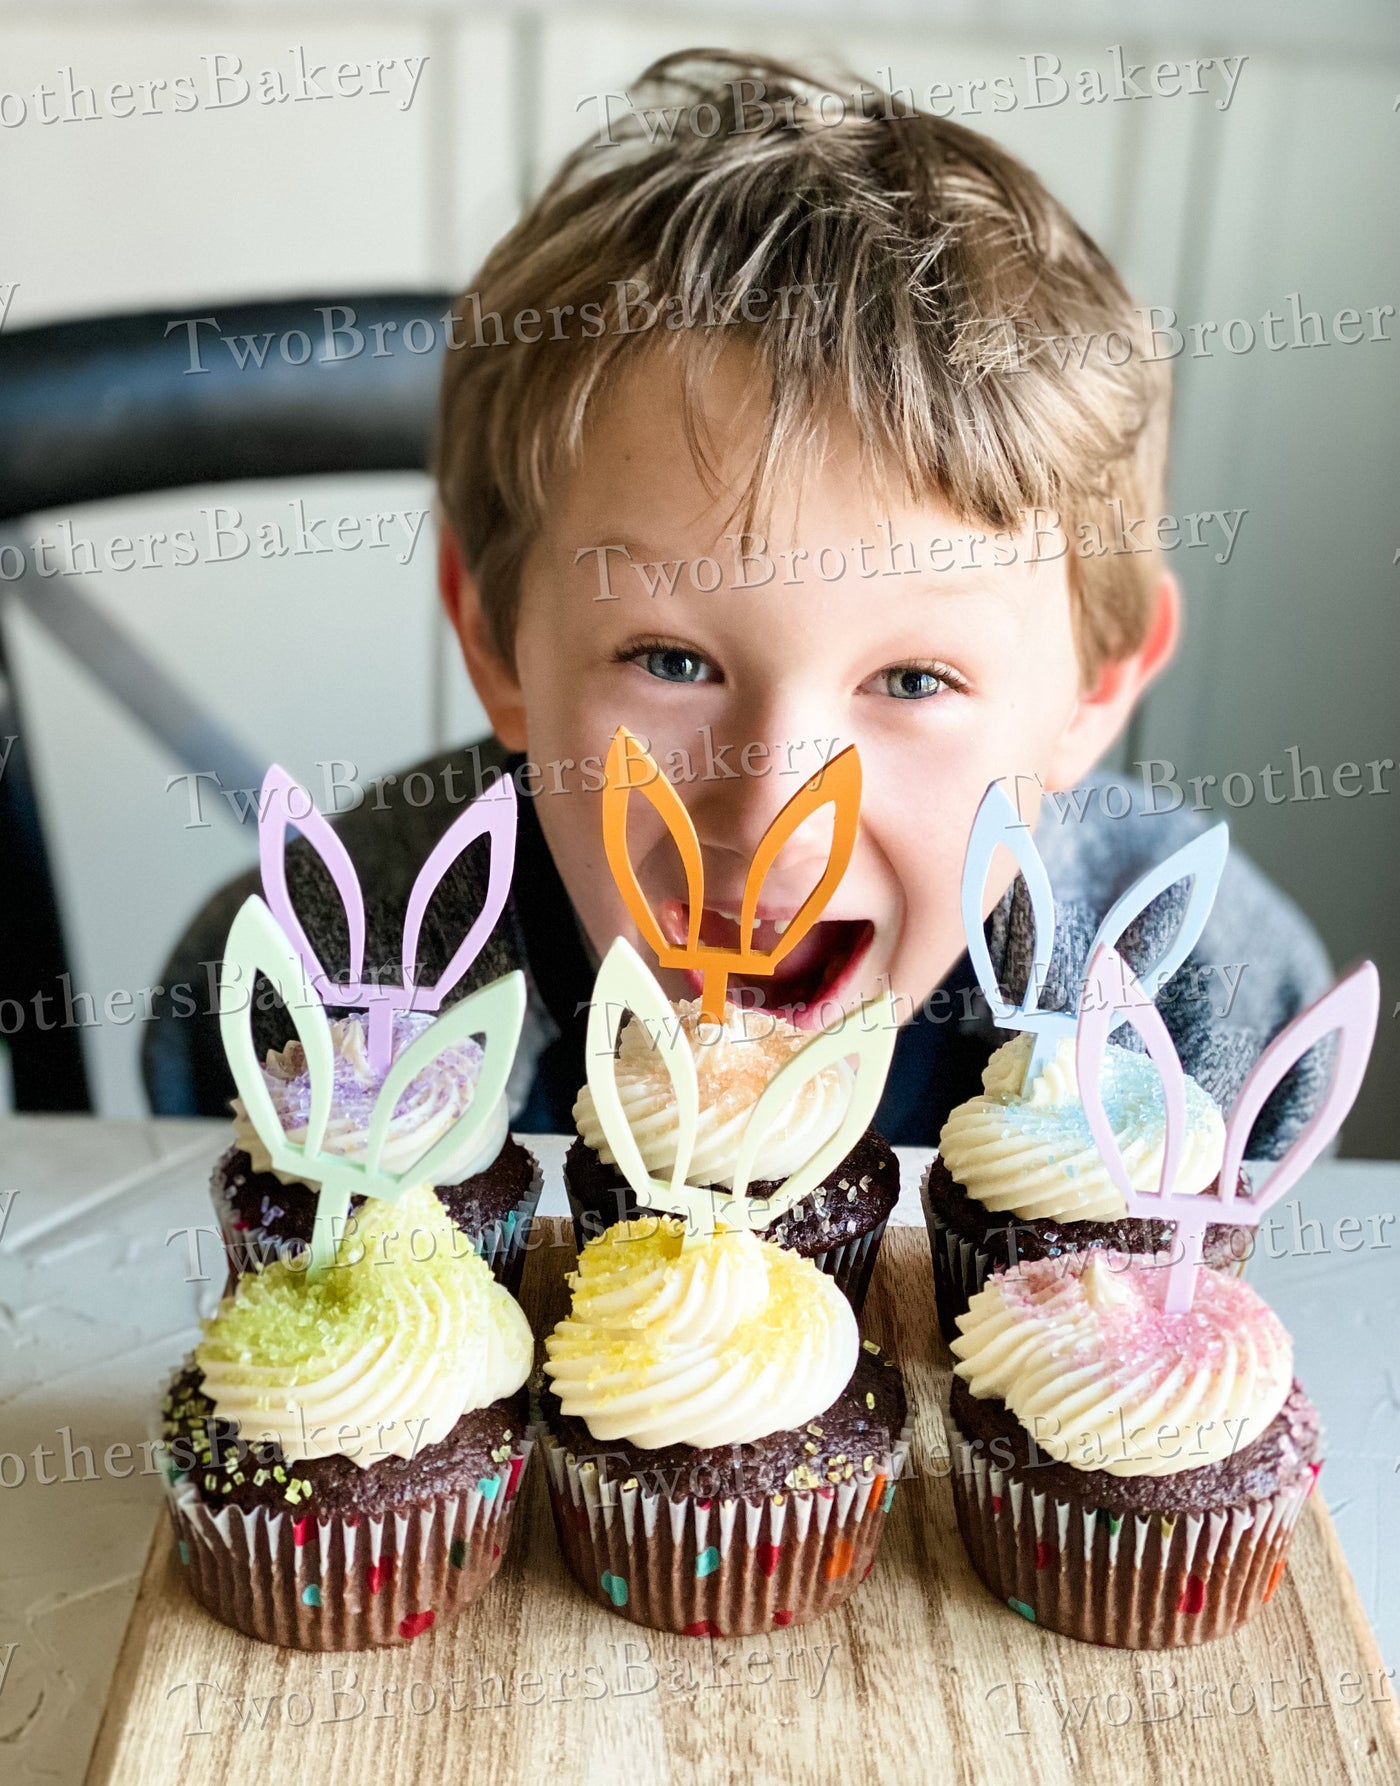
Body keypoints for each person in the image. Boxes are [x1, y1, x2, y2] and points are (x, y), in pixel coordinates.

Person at [146, 51, 1329, 1151]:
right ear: (496, 635)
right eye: (668, 659)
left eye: (912, 680)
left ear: (1094, 688)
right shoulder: (325, 976)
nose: (768, 808)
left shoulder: (1194, 1008)